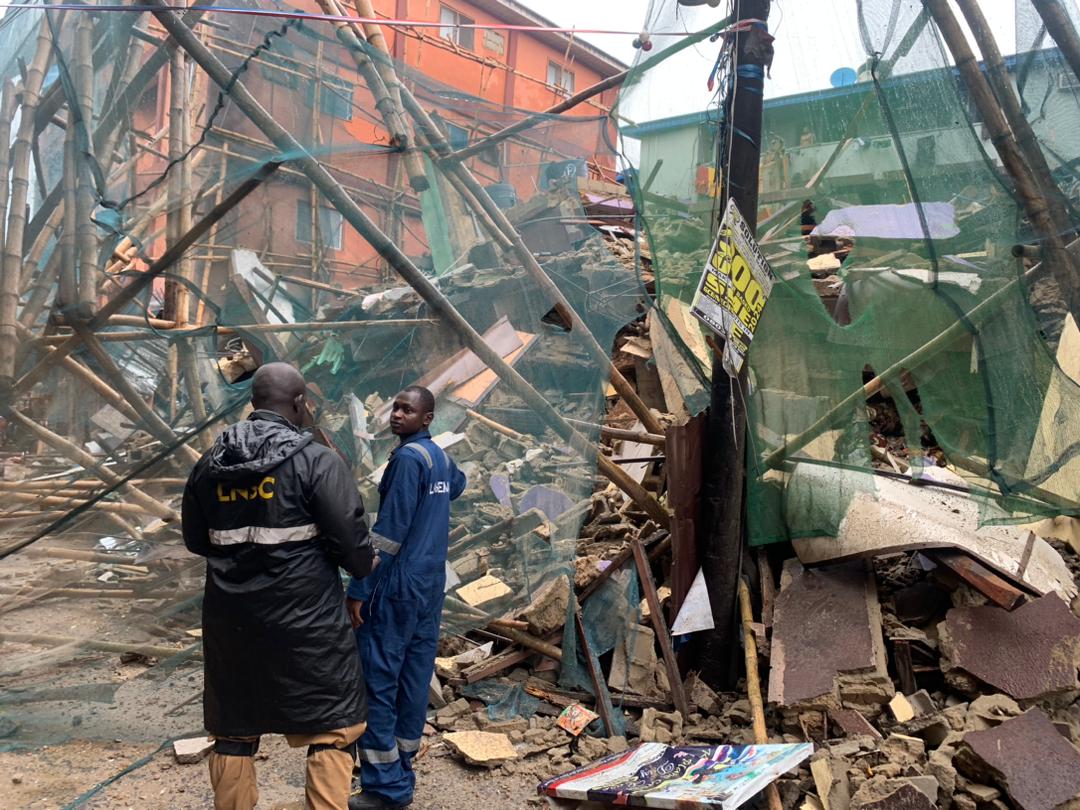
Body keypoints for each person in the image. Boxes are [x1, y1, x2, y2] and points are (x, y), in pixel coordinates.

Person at [182, 362, 378, 810]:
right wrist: (362, 563)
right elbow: (354, 549)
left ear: (253, 404)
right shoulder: (317, 462)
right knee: (334, 725)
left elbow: (197, 541)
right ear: (298, 403)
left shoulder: (210, 465)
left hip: (233, 622)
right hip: (308, 622)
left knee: (233, 726)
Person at [345, 386, 466, 810]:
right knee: (414, 680)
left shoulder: (407, 460)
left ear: (427, 418)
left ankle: (385, 788)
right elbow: (458, 486)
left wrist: (359, 588)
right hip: (430, 585)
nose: (396, 415)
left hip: (397, 587)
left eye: (407, 410)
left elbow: (387, 536)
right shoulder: (440, 458)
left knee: (378, 681)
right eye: (395, 408)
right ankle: (403, 770)